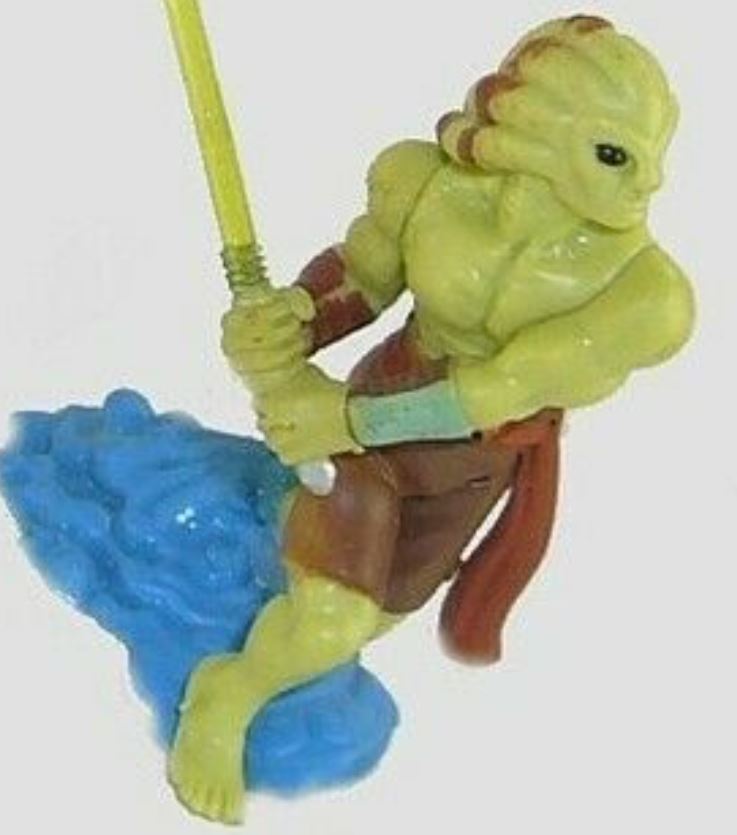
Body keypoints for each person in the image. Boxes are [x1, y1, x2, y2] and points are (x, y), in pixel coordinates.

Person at [168, 15, 695, 823]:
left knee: (378, 615)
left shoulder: (640, 292)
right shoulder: (427, 184)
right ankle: (224, 699)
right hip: (377, 411)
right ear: (536, 129)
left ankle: (293, 561)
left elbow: (498, 389)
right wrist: (295, 317)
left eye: (652, 157)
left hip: (466, 458)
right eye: (616, 155)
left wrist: (343, 419)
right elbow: (362, 276)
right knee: (333, 620)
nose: (646, 186)